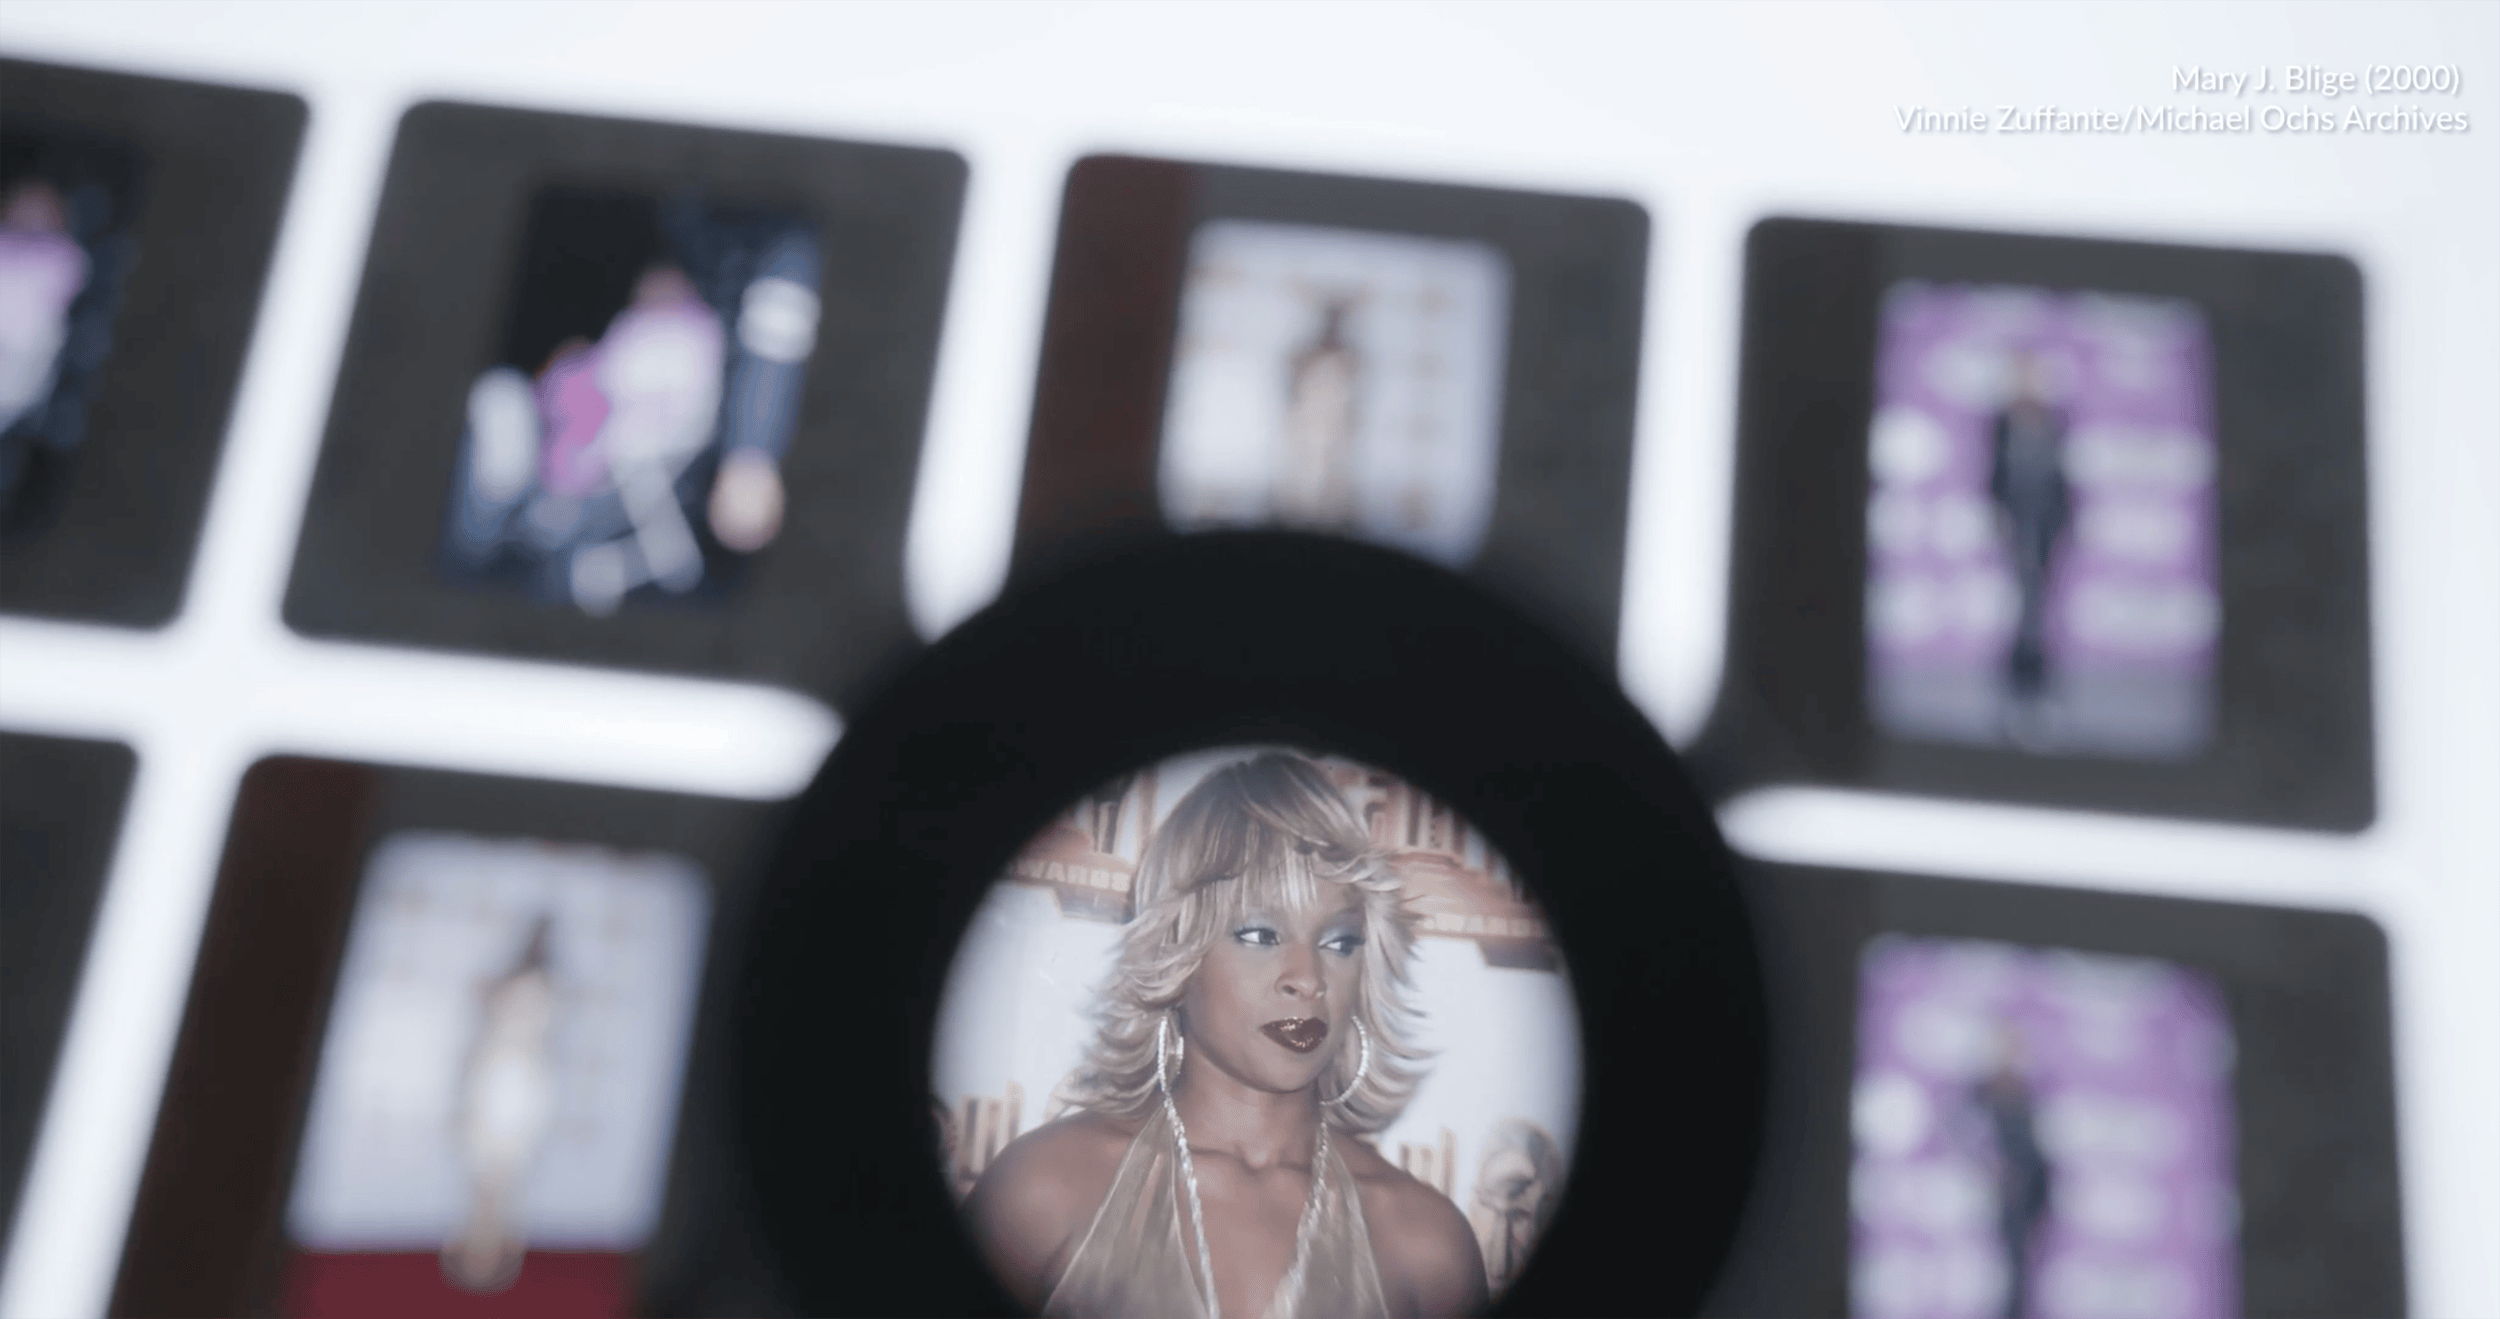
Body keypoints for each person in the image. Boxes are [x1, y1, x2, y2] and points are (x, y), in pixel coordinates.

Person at [966, 752, 1488, 1318]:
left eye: (1338, 942)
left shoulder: (1427, 1248)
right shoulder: (1042, 1193)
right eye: (1261, 934)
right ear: (1178, 952)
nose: (1307, 980)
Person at [1987, 350, 2072, 724]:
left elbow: (2063, 476)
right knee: (2027, 601)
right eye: (2022, 375)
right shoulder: (2002, 420)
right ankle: (2021, 684)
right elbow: (1994, 473)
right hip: (2017, 519)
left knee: (2040, 601)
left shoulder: (2056, 419)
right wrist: (1997, 512)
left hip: (2048, 521)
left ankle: (2037, 686)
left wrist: (2068, 518)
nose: (2029, 382)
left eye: (2034, 375)